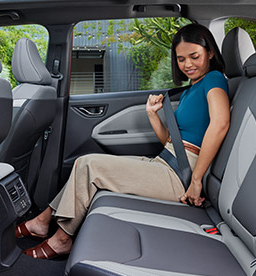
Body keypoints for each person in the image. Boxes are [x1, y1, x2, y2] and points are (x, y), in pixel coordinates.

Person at [16, 23, 230, 259]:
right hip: (166, 162)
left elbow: (220, 124)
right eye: (181, 59)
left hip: (181, 175)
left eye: (194, 56)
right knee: (82, 164)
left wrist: (196, 180)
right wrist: (152, 114)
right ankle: (43, 221)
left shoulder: (214, 79)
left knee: (90, 165)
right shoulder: (192, 89)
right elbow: (170, 140)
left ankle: (62, 239)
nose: (187, 64)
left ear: (210, 52)